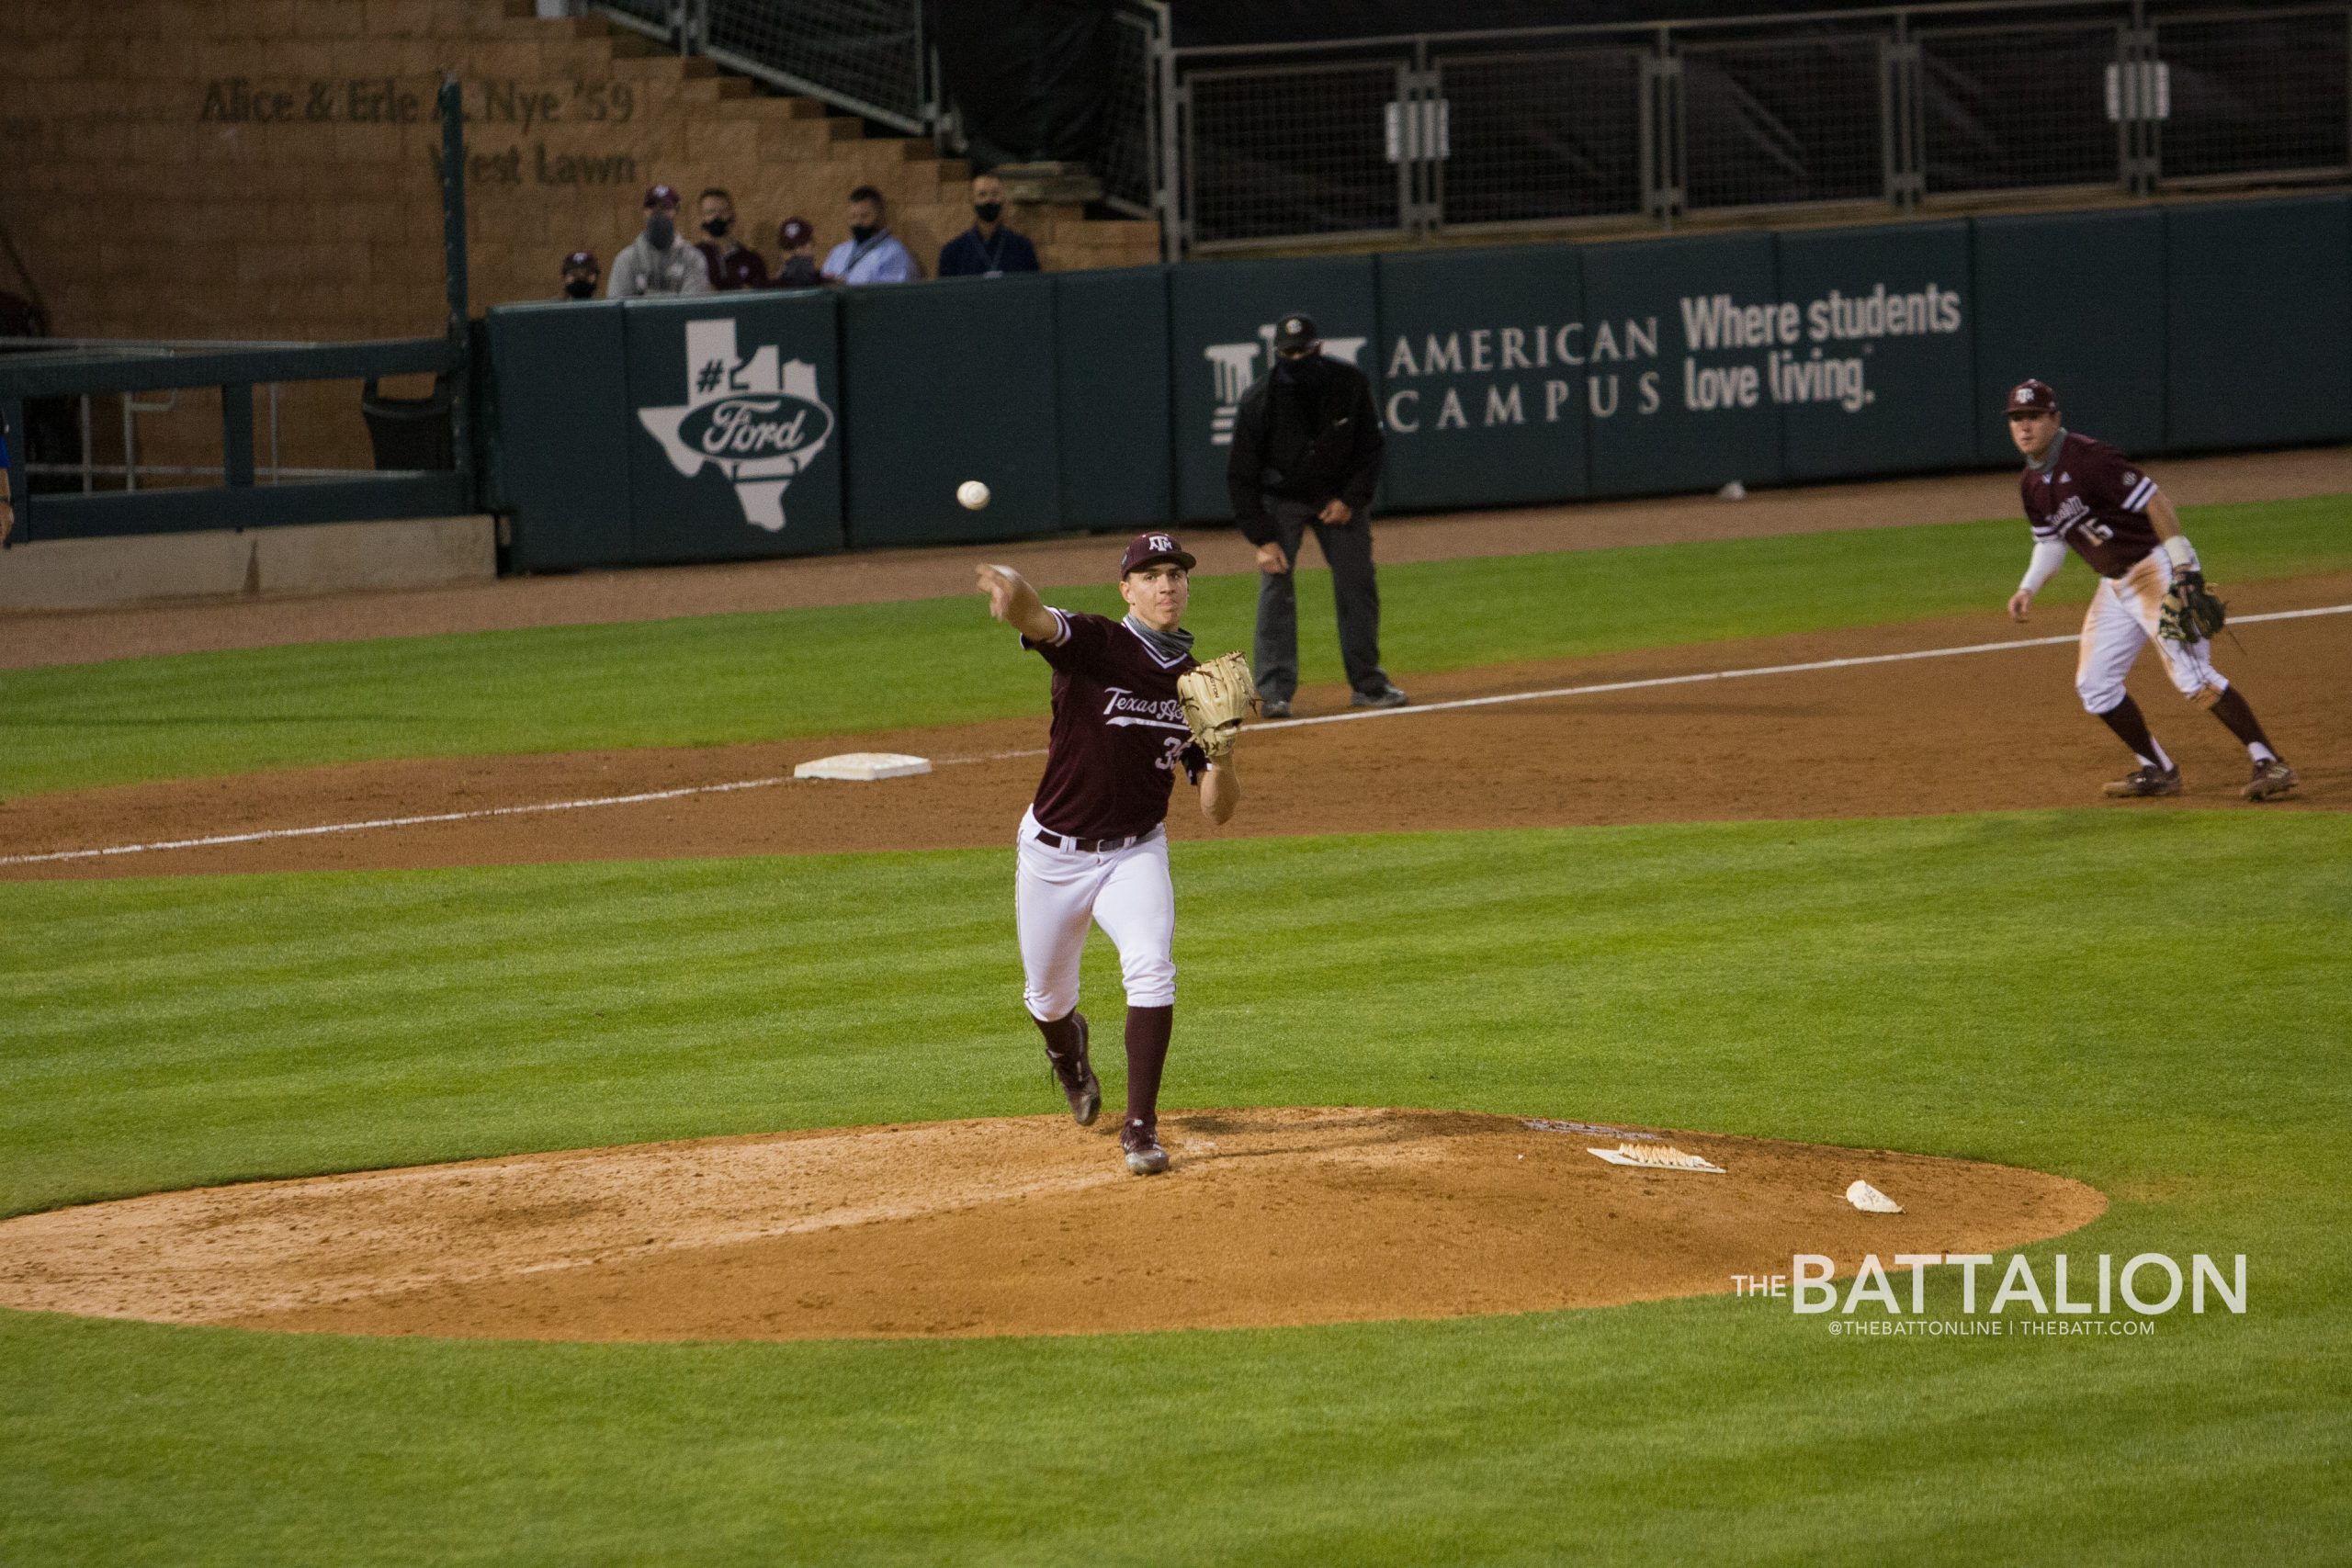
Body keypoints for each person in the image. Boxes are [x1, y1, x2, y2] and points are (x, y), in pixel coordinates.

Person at [976, 532, 1242, 1177]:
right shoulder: (1097, 642)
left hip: (1136, 852)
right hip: (1052, 853)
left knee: (1152, 968)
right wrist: (1012, 584)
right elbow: (1036, 617)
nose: (1166, 585)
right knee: (1047, 997)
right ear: (1127, 589)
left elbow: (1217, 808)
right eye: (1150, 575)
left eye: (1176, 574)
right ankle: (1069, 1059)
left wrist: (1224, 751)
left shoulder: (1200, 682)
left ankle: (1141, 1126)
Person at [2003, 378, 2296, 800]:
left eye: (2032, 417)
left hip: (2157, 567)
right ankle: (2158, 769)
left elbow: (2154, 501)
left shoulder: (2089, 458)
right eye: (2016, 419)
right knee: (2095, 685)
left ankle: (2270, 761)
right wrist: (2027, 587)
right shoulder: (2030, 484)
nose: (2024, 427)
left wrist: (2182, 570)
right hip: (2116, 586)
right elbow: (2050, 541)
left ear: (2054, 419)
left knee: (2192, 677)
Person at [1227, 311, 1405, 716]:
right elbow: (1240, 475)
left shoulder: (1349, 384)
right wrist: (1263, 539)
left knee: (1357, 581)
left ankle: (1368, 683)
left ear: (1319, 348)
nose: (1296, 359)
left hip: (1338, 497)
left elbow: (1370, 448)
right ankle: (1273, 692)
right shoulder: (1260, 400)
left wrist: (1350, 499)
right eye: (1288, 353)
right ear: (1276, 354)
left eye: (1303, 351)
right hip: (1282, 498)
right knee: (1275, 587)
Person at [605, 185, 713, 298]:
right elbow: (617, 306)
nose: (658, 212)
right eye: (652, 206)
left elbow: (692, 305)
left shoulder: (692, 258)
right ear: (645, 211)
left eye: (665, 207)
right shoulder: (626, 259)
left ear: (676, 212)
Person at [936, 172, 1040, 278]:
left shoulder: (1023, 248)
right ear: (972, 200)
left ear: (1003, 198)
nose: (989, 200)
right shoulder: (953, 252)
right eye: (982, 195)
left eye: (995, 194)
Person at [820, 186, 918, 286]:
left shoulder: (894, 253)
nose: (858, 222)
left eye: (864, 216)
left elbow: (890, 294)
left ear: (880, 215)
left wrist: (846, 285)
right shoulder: (838, 252)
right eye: (853, 216)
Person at [692, 187, 769, 291]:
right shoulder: (690, 258)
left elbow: (762, 299)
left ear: (733, 216)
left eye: (723, 211)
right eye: (710, 212)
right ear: (701, 218)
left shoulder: (752, 260)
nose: (717, 217)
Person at [773, 217, 821, 289]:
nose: (797, 251)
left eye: (801, 245)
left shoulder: (779, 280)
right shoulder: (815, 277)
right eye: (791, 248)